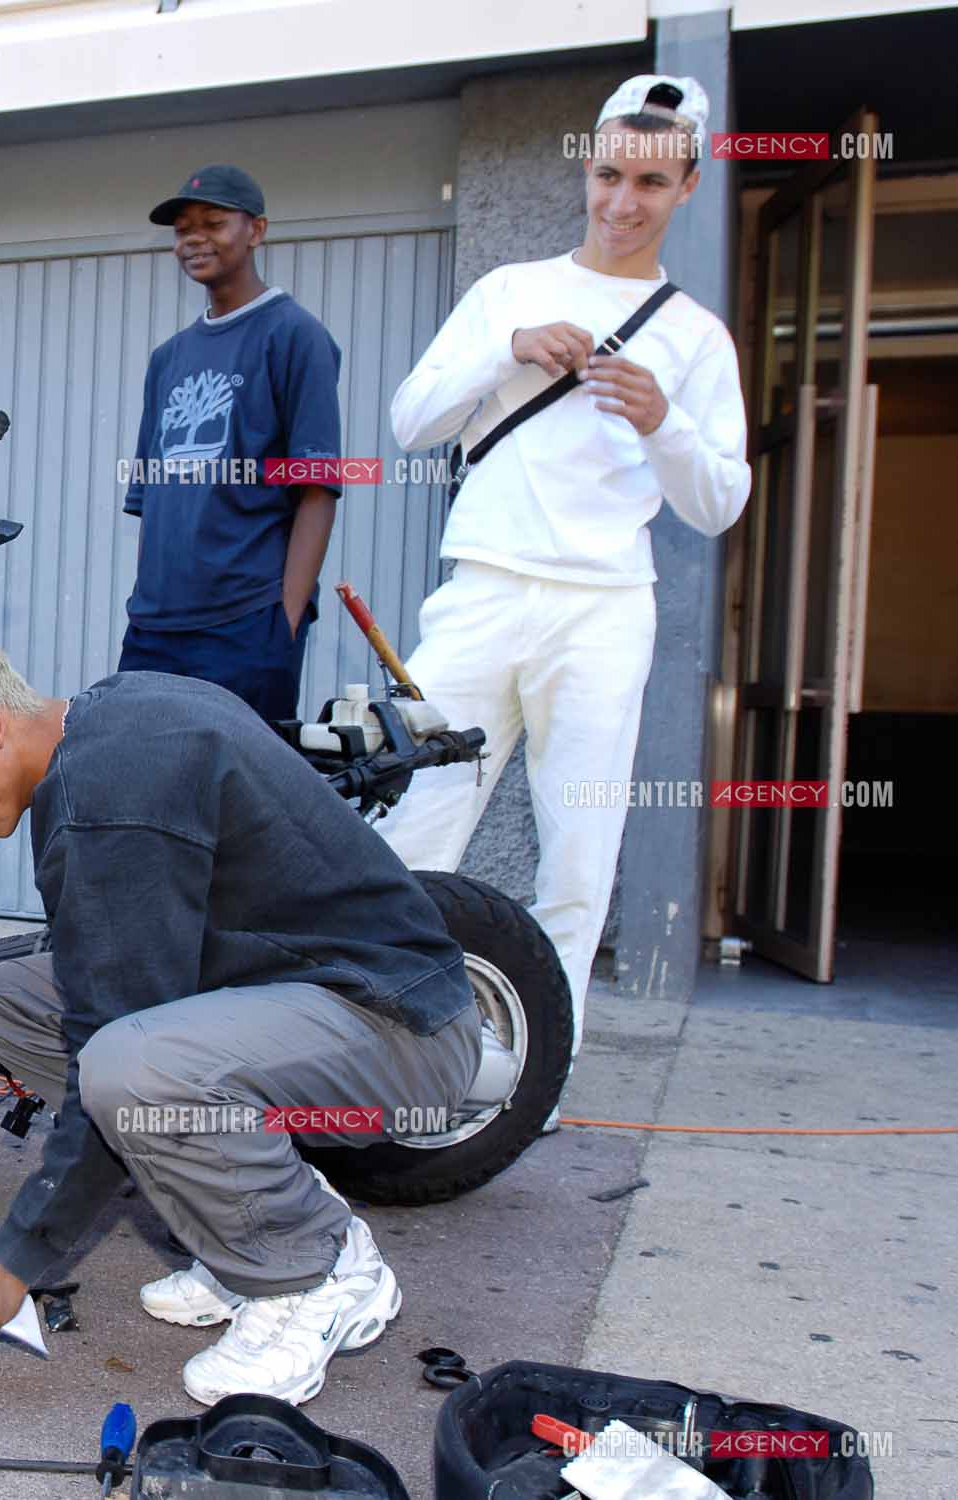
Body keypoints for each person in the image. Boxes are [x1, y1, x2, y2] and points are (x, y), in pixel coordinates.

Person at [0, 616, 478, 1407]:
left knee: (126, 1065)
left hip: (401, 1031)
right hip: (311, 1002)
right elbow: (107, 999)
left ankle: (312, 1272)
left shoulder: (110, 793)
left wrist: (9, 1264)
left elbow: (112, 1048)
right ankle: (251, 1219)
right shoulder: (108, 723)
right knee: (14, 1001)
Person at [375, 76, 750, 1110]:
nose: (620, 201)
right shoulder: (507, 289)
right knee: (414, 822)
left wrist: (660, 419)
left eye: (646, 182)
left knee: (578, 857)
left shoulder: (693, 338)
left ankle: (540, 1081)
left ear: (684, 185)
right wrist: (506, 350)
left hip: (603, 607)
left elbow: (719, 499)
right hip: (484, 588)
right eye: (605, 175)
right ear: (582, 168)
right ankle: (371, 1046)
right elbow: (411, 420)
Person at [119, 166, 343, 721]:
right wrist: (148, 603)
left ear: (256, 230)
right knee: (144, 787)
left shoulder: (295, 336)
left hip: (245, 623)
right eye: (182, 229)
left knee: (234, 799)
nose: (195, 239)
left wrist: (284, 621)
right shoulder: (168, 358)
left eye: (213, 223)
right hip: (154, 629)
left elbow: (318, 488)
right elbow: (149, 496)